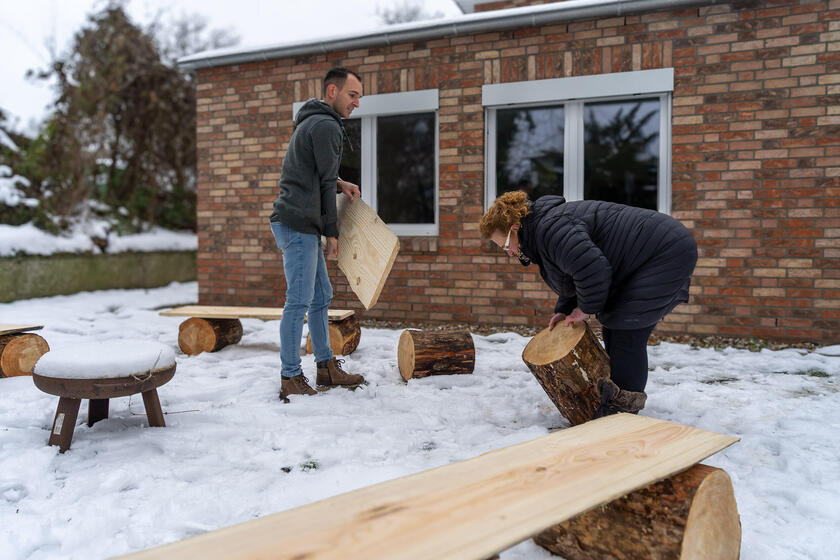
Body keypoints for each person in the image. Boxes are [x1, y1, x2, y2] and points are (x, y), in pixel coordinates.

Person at [480, 191, 698, 418]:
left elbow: (592, 269)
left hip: (663, 253)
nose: (509, 252)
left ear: (515, 228)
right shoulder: (543, 231)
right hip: (651, 254)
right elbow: (573, 274)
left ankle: (623, 408)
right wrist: (564, 310)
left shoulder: (551, 229)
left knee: (627, 329)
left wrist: (584, 308)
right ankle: (616, 399)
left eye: (505, 245)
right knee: (615, 325)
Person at [269, 67, 365, 400]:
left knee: (320, 296)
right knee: (297, 301)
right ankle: (290, 377)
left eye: (358, 98)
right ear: (332, 92)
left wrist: (340, 182)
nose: (355, 103)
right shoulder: (325, 125)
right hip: (298, 223)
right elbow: (322, 184)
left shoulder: (313, 122)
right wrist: (333, 234)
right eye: (351, 96)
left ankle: (325, 367)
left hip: (300, 221)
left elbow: (316, 174)